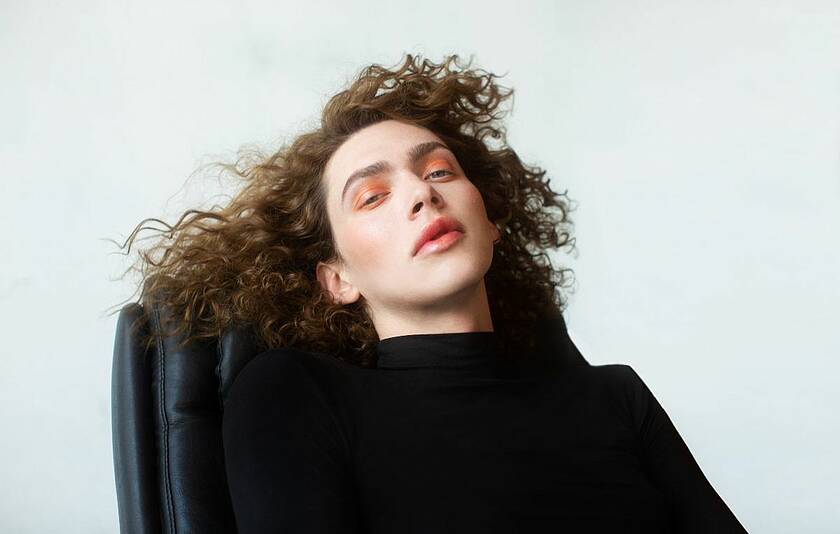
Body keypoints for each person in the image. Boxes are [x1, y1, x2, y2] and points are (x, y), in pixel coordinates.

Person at [118, 53, 749, 532]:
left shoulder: (617, 398)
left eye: (439, 170)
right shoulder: (298, 394)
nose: (423, 193)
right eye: (373, 196)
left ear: (491, 220)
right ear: (338, 279)